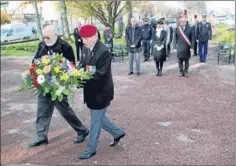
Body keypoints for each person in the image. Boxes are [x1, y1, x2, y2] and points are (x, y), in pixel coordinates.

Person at [28, 25, 89, 148]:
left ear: (55, 34)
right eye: (43, 36)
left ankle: (82, 130)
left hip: (58, 86)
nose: (45, 39)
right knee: (42, 110)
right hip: (44, 84)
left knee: (65, 111)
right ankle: (41, 136)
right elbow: (35, 61)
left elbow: (71, 66)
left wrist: (59, 71)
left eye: (47, 36)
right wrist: (37, 70)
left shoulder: (66, 47)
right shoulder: (41, 45)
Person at [78, 25, 125, 159]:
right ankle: (118, 133)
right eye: (82, 38)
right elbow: (83, 63)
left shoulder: (104, 51)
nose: (83, 41)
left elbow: (100, 73)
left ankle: (91, 148)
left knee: (95, 122)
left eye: (85, 38)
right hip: (90, 91)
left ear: (95, 36)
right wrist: (75, 73)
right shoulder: (85, 47)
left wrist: (81, 75)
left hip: (101, 92)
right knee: (99, 118)